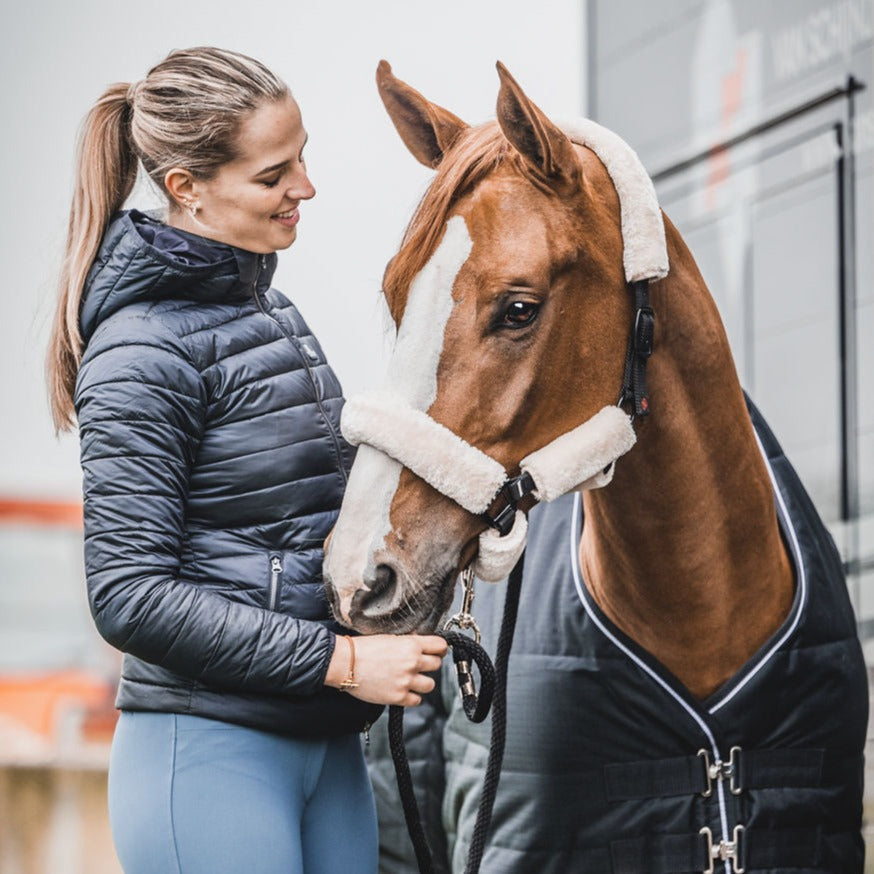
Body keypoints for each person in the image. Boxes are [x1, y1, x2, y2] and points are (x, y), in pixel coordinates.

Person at [46, 46, 447, 874]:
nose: (306, 187)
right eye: (274, 174)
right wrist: (344, 661)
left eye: (303, 157)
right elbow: (128, 596)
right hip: (209, 756)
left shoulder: (275, 313)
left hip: (321, 741)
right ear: (188, 188)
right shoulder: (137, 354)